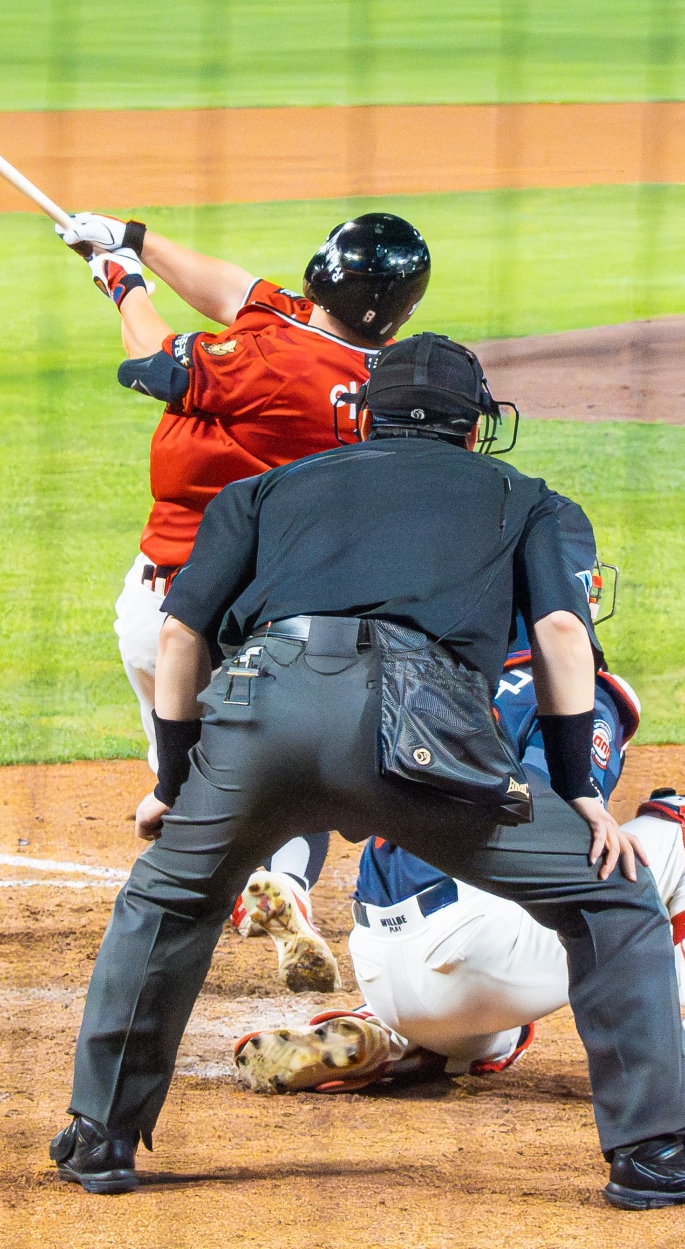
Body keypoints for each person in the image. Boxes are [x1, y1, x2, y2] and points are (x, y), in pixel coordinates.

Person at [53, 333, 685, 1209]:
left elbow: (178, 636)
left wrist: (174, 784)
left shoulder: (261, 491)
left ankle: (99, 1137)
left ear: (362, 416)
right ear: (476, 427)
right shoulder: (527, 497)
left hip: (259, 717)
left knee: (165, 901)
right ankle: (656, 1150)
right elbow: (561, 636)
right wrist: (580, 791)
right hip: (419, 738)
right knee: (610, 898)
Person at [231, 508, 685, 1113]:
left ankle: (392, 1036)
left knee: (496, 1022)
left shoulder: (405, 669)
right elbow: (551, 829)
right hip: (483, 958)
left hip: (379, 960)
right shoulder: (569, 685)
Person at [54, 207, 430, 989]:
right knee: (287, 766)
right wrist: (134, 238)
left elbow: (155, 363)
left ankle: (179, 917)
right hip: (287, 610)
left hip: (173, 609)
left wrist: (121, 282)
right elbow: (235, 292)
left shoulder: (277, 364)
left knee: (189, 771)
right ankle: (283, 881)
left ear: (324, 273)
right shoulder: (380, 377)